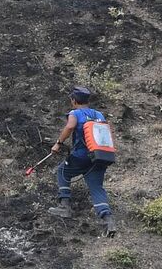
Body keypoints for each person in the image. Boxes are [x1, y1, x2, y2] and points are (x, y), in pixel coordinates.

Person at [48, 86, 116, 235]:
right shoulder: (98, 114)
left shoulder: (75, 113)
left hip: (81, 155)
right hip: (99, 157)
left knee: (63, 171)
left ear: (74, 100)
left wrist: (58, 143)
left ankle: (64, 206)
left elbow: (70, 126)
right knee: (96, 187)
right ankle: (108, 220)